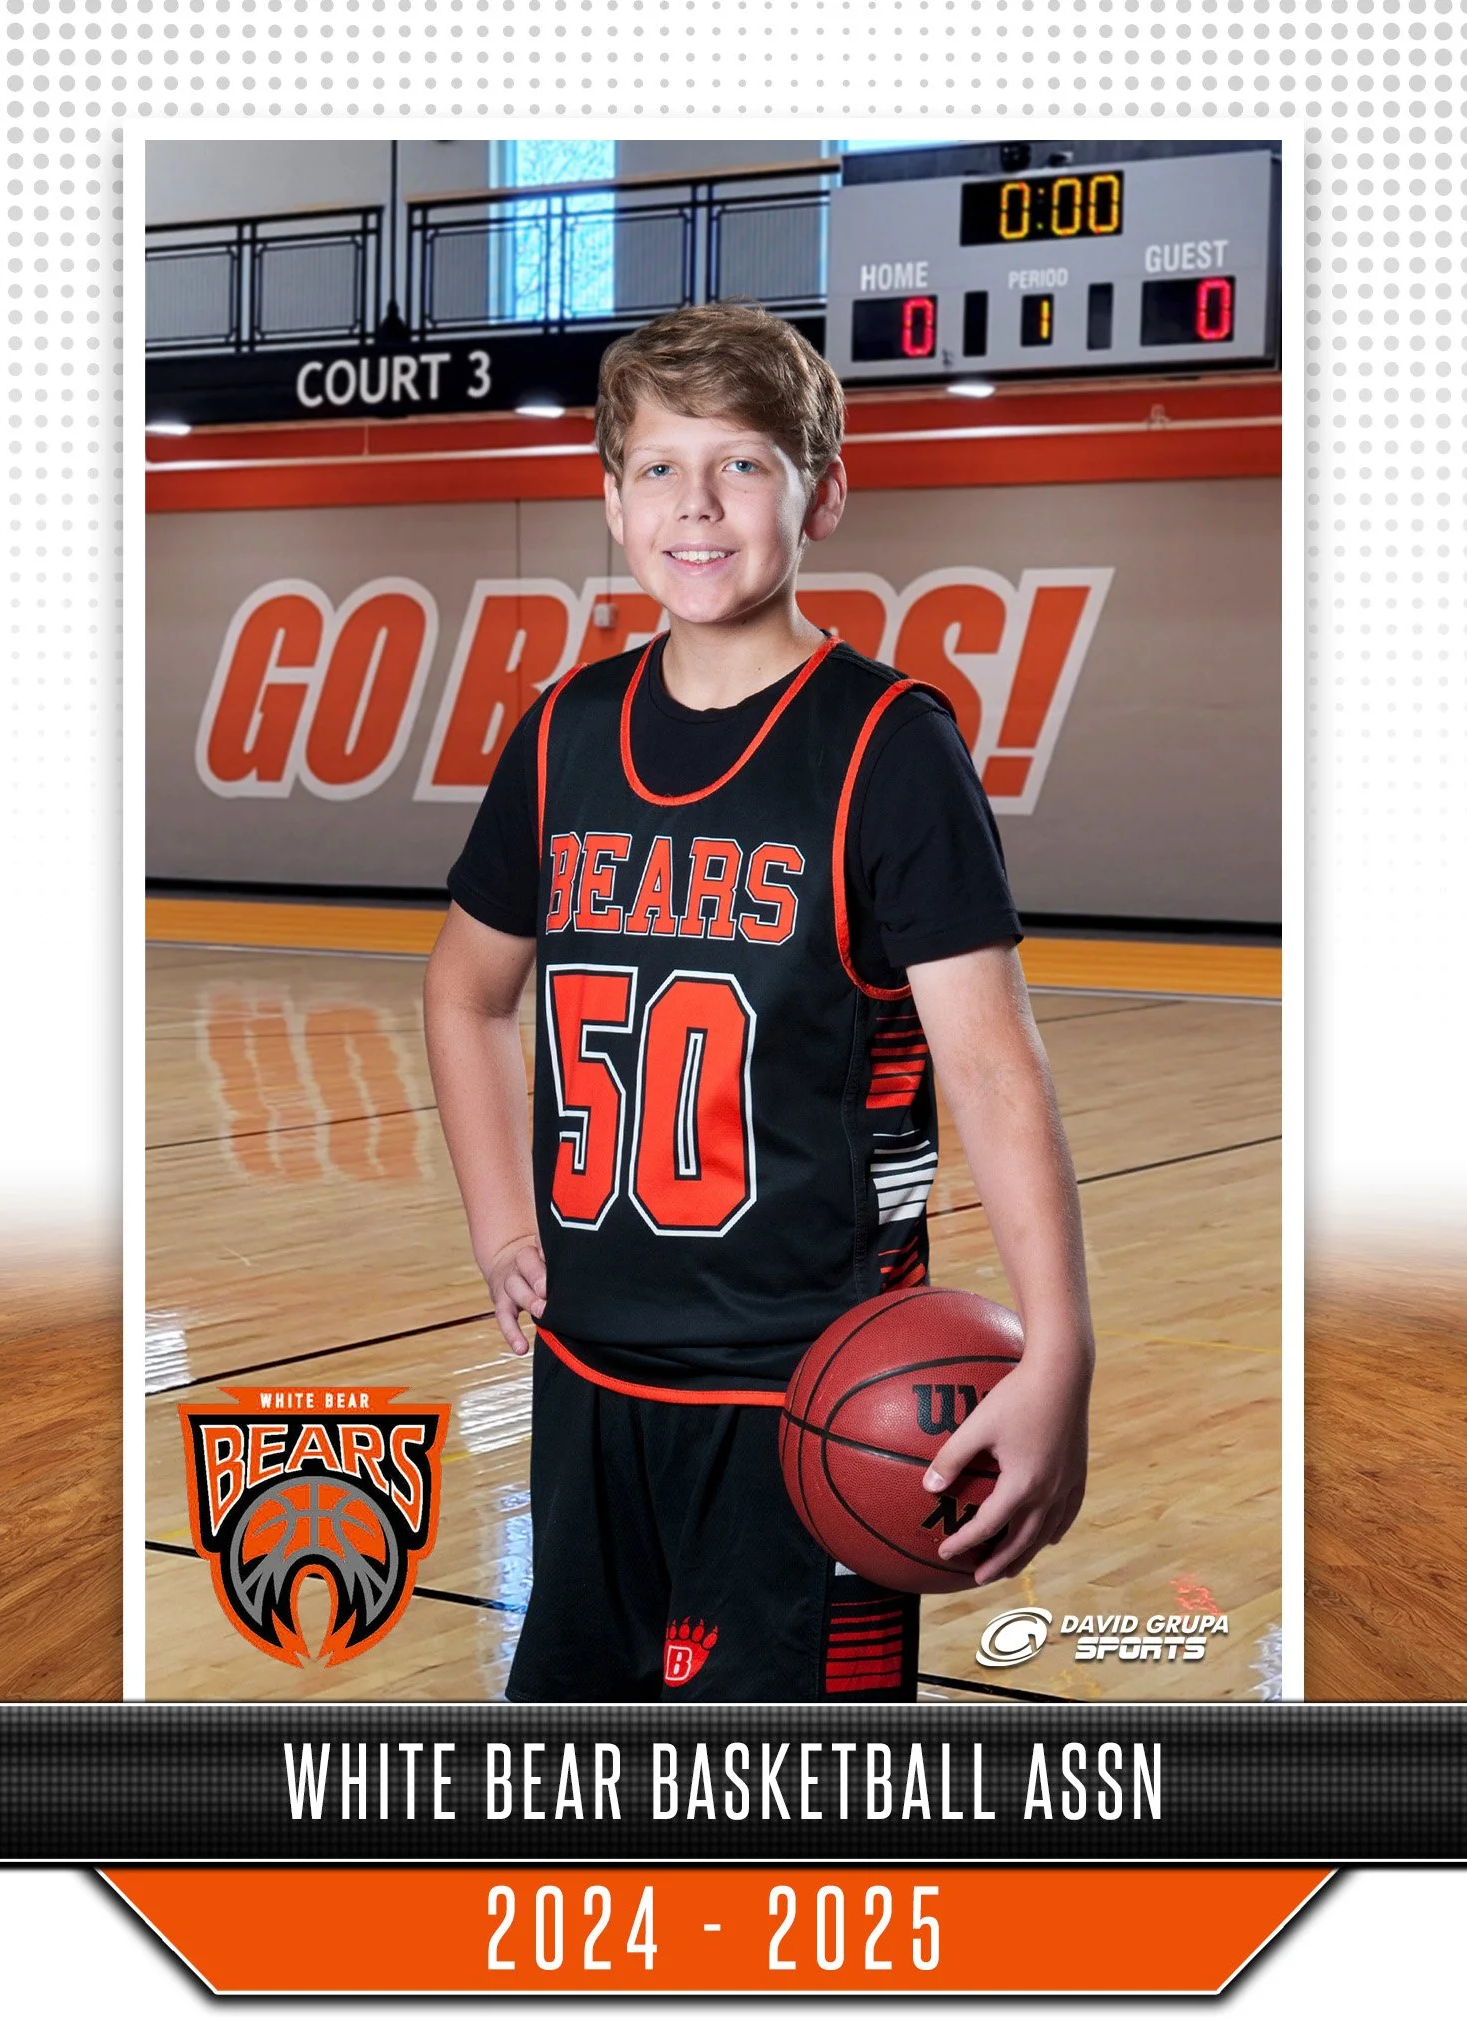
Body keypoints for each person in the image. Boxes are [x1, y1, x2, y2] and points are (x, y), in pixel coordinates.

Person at [423, 302, 1093, 1702]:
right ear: (610, 503)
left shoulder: (886, 748)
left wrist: (1060, 1347)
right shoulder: (561, 734)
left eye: (741, 464)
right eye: (660, 469)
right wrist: (500, 1221)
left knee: (782, 1816)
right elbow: (470, 987)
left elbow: (992, 1068)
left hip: (811, 1393)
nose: (697, 505)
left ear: (823, 492)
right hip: (592, 1380)